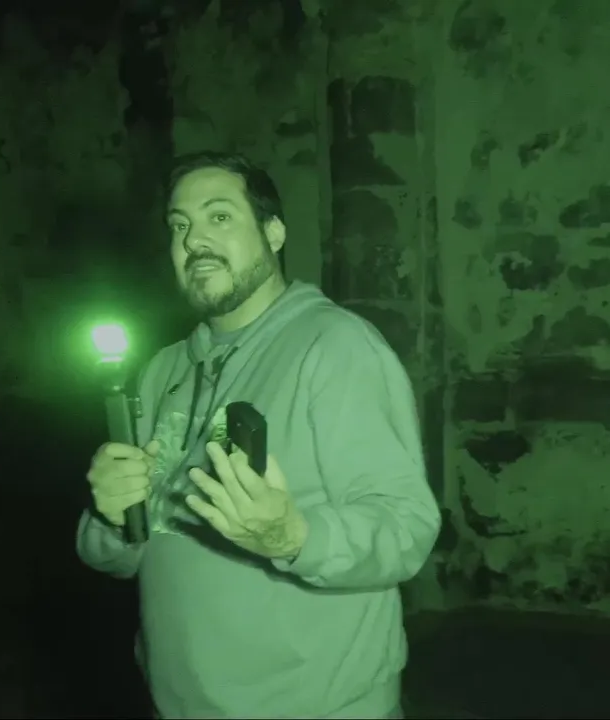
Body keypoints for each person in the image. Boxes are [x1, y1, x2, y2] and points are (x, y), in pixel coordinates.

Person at [76, 151, 441, 719]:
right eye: (179, 225)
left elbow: (405, 527)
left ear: (273, 233)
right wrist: (111, 516)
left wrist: (292, 537)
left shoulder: (336, 348)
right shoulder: (162, 370)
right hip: (177, 703)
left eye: (220, 217)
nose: (195, 241)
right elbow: (120, 556)